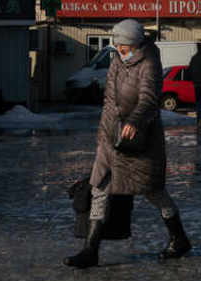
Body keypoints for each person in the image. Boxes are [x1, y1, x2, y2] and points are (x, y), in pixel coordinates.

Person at [65, 19, 189, 268]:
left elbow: (149, 99)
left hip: (139, 140)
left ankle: (179, 239)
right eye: (117, 44)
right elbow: (109, 102)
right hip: (112, 137)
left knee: (153, 191)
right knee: (99, 188)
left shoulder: (150, 63)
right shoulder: (116, 62)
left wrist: (135, 121)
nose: (120, 48)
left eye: (123, 44)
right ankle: (90, 250)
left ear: (135, 43)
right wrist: (102, 138)